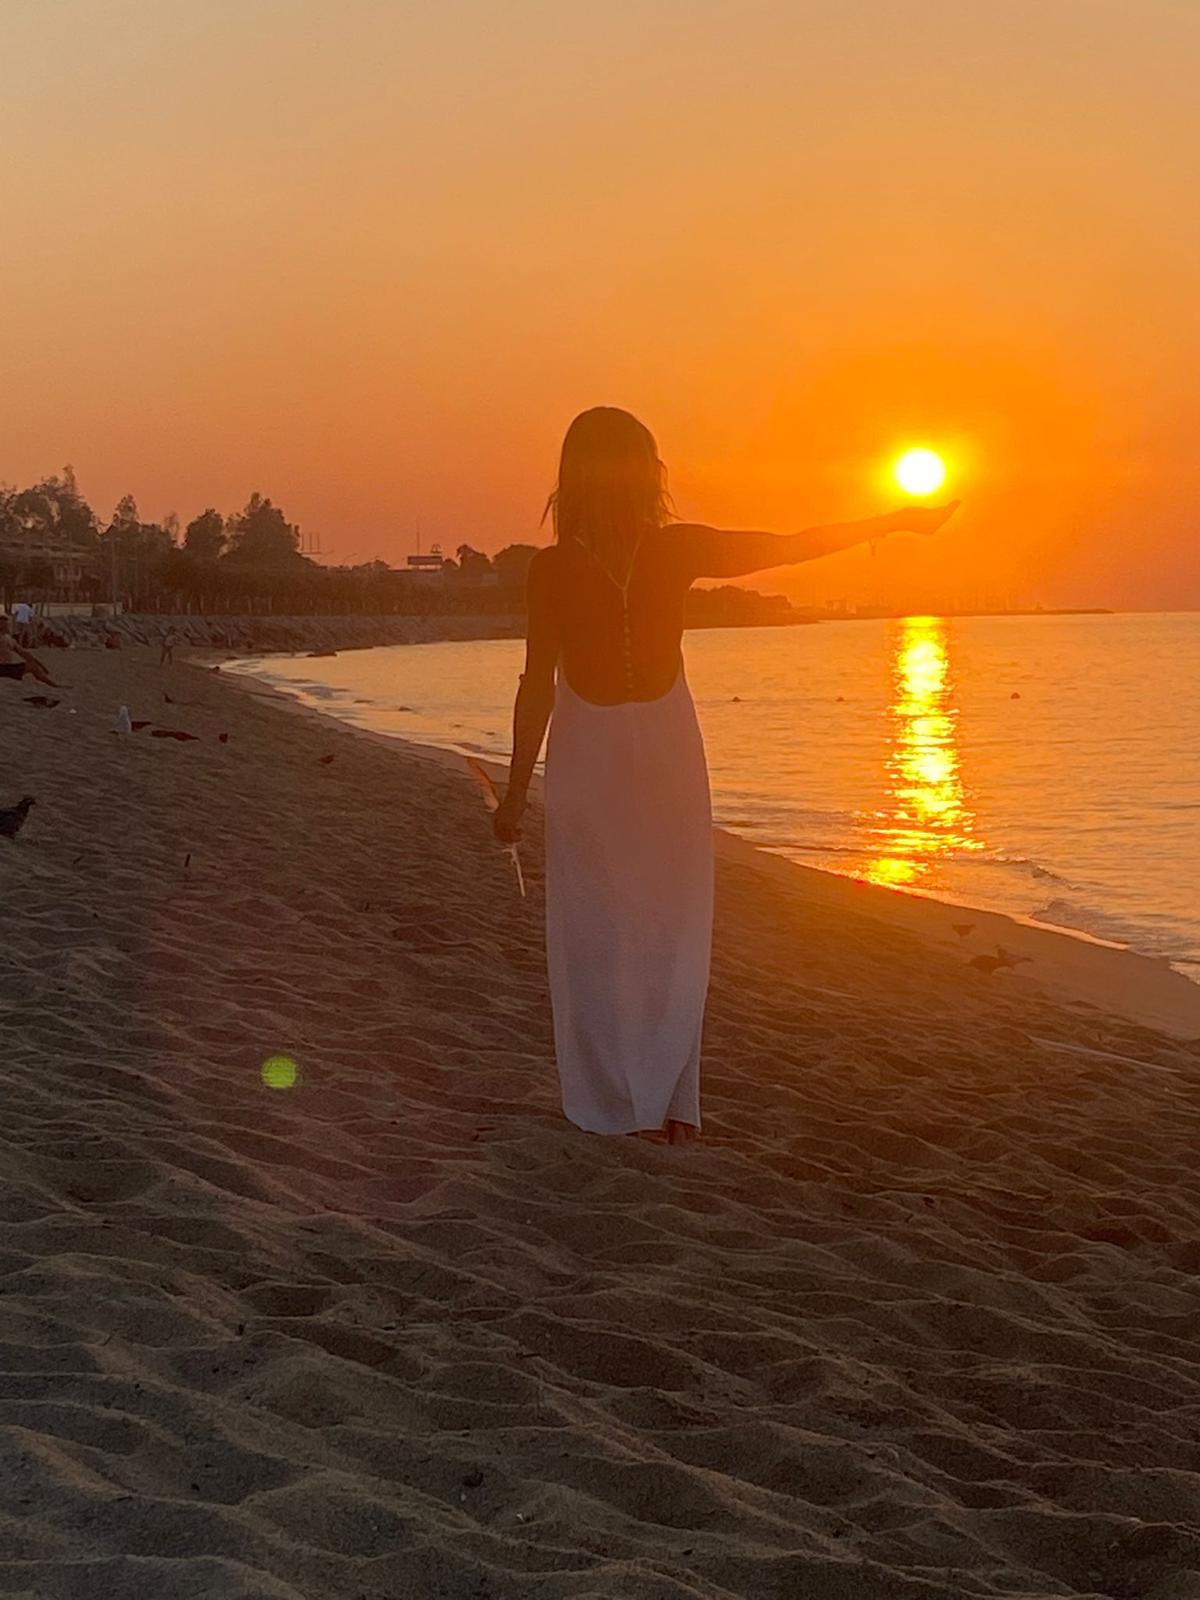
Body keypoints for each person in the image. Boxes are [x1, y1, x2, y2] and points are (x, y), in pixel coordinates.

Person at [493, 406, 957, 1143]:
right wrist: (518, 788)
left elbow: (785, 547)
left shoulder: (647, 554)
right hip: (614, 752)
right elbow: (536, 683)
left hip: (643, 751)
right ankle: (634, 1103)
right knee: (623, 926)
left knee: (646, 926)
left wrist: (891, 522)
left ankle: (661, 1102)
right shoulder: (581, 564)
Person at [0, 614, 60, 687]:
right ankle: (54, 685)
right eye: (6, 625)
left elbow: (24, 653)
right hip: (2, 668)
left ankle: (52, 685)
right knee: (32, 666)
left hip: (8, 667)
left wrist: (39, 664)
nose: (8, 626)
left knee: (33, 666)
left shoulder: (9, 639)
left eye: (8, 624)